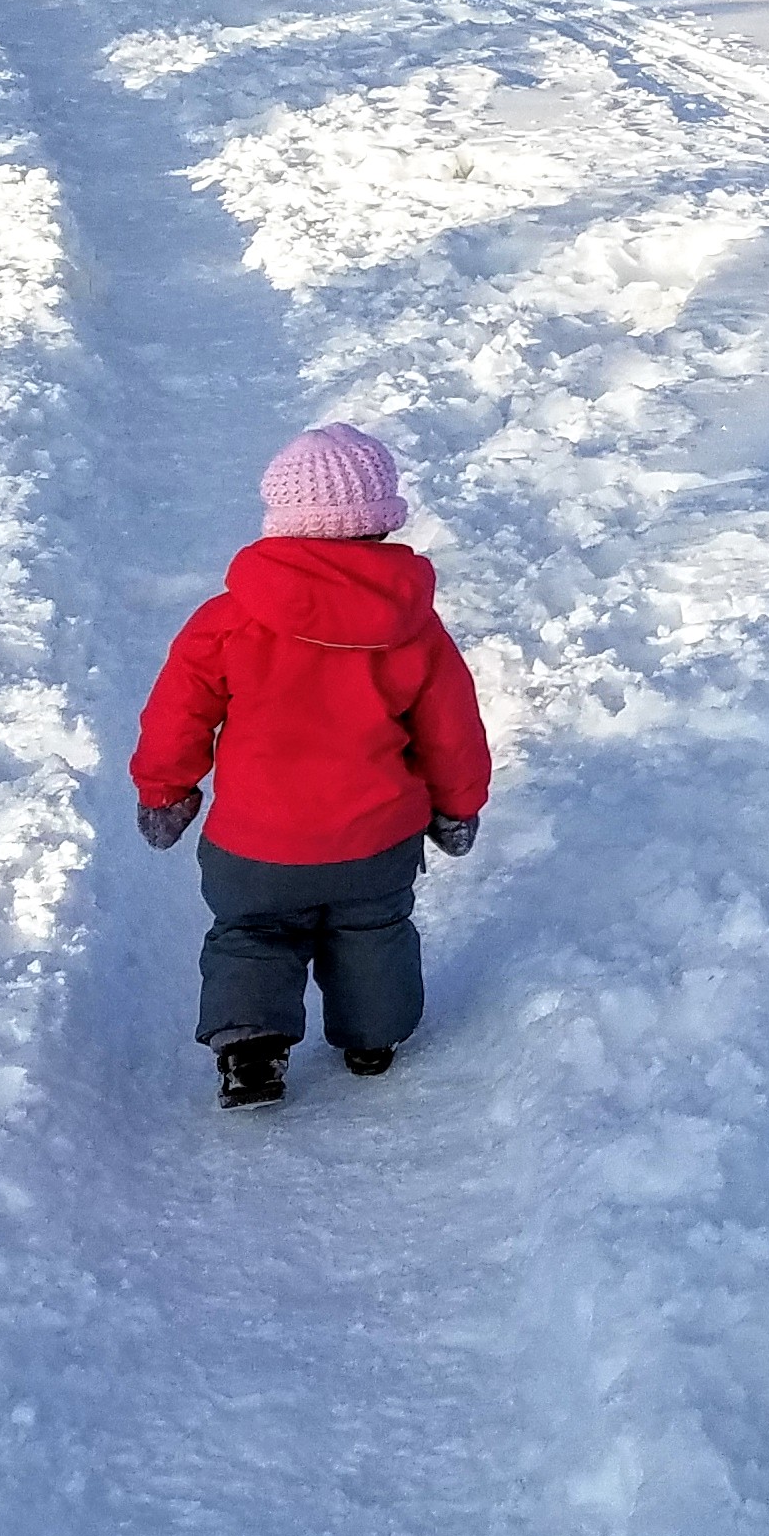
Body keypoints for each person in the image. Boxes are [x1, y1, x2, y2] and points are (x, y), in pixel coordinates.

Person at [131, 423, 492, 1110]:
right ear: (381, 524)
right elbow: (452, 729)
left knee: (251, 934)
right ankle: (372, 1038)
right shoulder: (414, 627)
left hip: (254, 844)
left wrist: (165, 790)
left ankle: (250, 1049)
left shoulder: (228, 620)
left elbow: (178, 712)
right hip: (375, 840)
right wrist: (457, 805)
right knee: (372, 932)